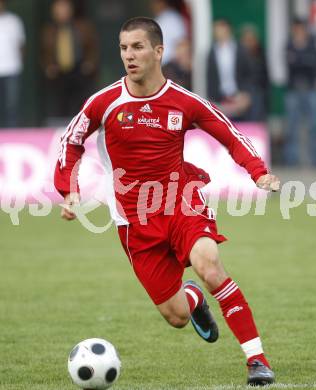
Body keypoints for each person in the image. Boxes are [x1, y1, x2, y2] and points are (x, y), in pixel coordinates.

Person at [54, 17, 279, 386]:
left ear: (159, 51)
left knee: (209, 266)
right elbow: (72, 140)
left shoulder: (183, 101)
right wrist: (69, 188)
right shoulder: (105, 102)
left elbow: (230, 134)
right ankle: (192, 299)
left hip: (181, 202)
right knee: (175, 316)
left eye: (138, 47)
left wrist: (258, 171)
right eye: (124, 48)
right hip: (134, 220)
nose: (130, 55)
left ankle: (257, 360)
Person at [41, 0, 99, 124]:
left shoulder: (82, 27)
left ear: (70, 11)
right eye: (58, 10)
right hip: (58, 72)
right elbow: (44, 51)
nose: (62, 13)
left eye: (64, 9)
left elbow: (92, 47)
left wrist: (89, 63)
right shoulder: (49, 30)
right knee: (60, 105)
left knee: (80, 102)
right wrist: (49, 66)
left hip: (79, 70)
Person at [284, 18, 316, 167]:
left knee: (315, 126)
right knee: (292, 127)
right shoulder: (289, 44)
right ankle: (291, 160)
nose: (299, 31)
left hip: (311, 89)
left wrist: (300, 59)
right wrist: (303, 60)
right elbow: (291, 65)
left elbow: (314, 64)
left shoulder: (312, 43)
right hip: (293, 90)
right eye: (297, 28)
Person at [206, 19, 252, 120]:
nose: (217, 32)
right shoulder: (212, 51)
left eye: (220, 29)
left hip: (238, 96)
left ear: (228, 30)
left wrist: (246, 94)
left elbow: (248, 73)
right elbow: (210, 77)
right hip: (219, 99)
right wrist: (211, 98)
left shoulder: (240, 49)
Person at [0, 0, 25, 127]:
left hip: (11, 69)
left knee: (12, 105)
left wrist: (19, 62)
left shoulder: (14, 21)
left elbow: (21, 46)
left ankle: (12, 132)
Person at [240, 24, 269, 121]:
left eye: (251, 39)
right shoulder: (238, 54)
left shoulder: (260, 53)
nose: (249, 42)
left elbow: (265, 75)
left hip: (257, 91)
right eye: (246, 39)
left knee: (256, 119)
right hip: (242, 93)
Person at [150, 0, 188, 65]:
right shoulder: (159, 19)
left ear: (162, 2)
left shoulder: (173, 18)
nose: (152, 6)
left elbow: (182, 43)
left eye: (156, 2)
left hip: (170, 65)